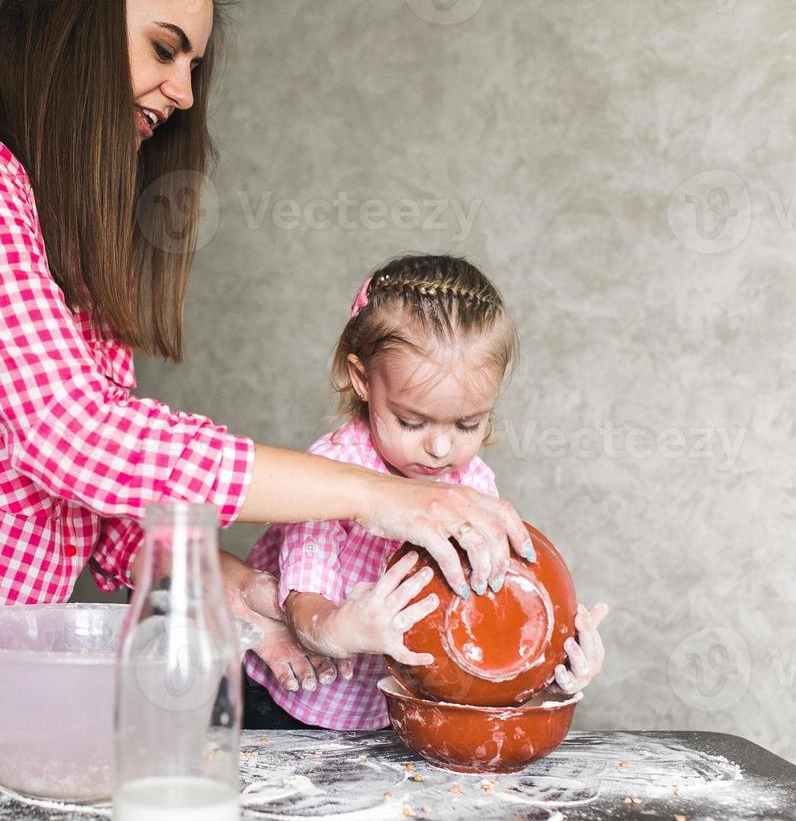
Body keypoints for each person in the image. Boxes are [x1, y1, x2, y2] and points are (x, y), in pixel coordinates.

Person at [0, 0, 534, 736]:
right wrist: (377, 498)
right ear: (70, 18)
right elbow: (78, 438)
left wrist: (252, 595)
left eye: (194, 66)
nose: (184, 92)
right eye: (164, 49)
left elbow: (102, 513)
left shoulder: (74, 250)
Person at [243, 255, 610, 731]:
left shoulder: (473, 486)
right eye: (412, 422)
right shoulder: (332, 470)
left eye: (468, 423)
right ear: (362, 380)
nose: (439, 448)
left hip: (387, 717)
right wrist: (342, 630)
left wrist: (553, 669)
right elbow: (302, 606)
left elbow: (486, 614)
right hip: (287, 704)